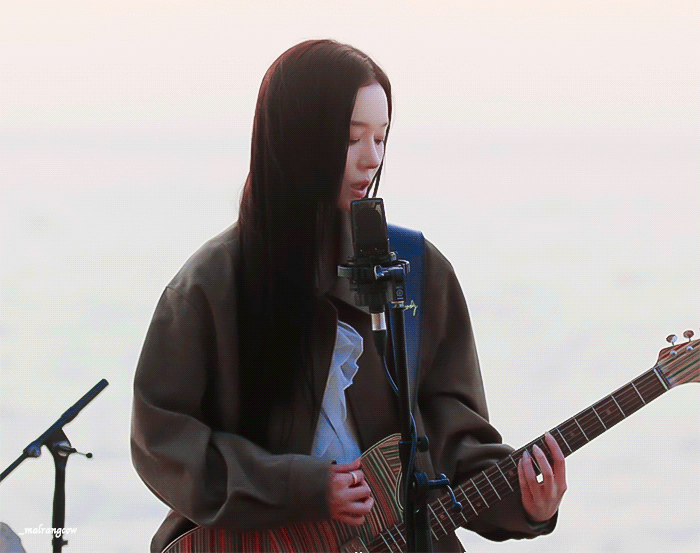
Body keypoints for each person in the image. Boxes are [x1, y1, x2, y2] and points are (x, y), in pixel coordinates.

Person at [131, 39, 566, 553]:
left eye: (381, 137)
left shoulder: (417, 269)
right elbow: (162, 443)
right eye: (352, 137)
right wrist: (302, 487)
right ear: (296, 137)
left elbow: (454, 444)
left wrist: (526, 505)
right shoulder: (208, 286)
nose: (372, 158)